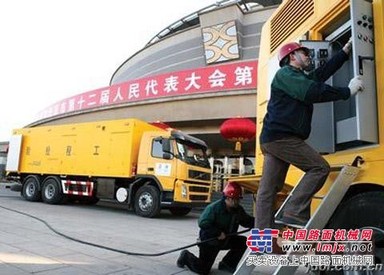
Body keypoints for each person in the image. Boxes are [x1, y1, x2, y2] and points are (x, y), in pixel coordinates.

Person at [256, 39, 364, 230]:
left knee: (268, 191)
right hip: (282, 138)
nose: (309, 56)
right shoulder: (286, 74)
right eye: (305, 53)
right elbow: (312, 91)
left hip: (272, 139)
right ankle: (294, 210)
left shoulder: (297, 77)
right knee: (319, 167)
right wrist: (347, 91)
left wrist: (345, 51)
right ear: (292, 57)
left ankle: (262, 240)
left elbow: (322, 74)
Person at [176, 182, 254, 274]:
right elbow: (203, 223)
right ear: (228, 198)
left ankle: (227, 264)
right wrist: (217, 233)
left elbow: (246, 221)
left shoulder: (237, 210)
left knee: (242, 242)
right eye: (236, 199)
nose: (238, 201)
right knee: (203, 269)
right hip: (210, 241)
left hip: (226, 239)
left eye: (238, 199)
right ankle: (185, 256)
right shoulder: (214, 208)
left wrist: (260, 222)